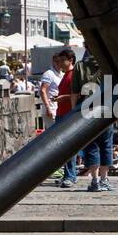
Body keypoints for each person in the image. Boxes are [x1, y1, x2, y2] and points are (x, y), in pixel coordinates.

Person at [52, 49, 78, 187]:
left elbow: (76, 94)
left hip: (67, 114)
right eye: (59, 60)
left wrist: (62, 98)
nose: (60, 63)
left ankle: (70, 176)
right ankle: (68, 174)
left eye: (63, 60)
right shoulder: (66, 74)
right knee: (63, 147)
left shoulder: (73, 75)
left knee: (68, 146)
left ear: (71, 60)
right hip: (61, 113)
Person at [40, 53, 63, 128]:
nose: (61, 64)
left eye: (62, 61)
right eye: (59, 62)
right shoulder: (49, 74)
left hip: (58, 109)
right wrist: (48, 108)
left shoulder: (61, 74)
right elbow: (42, 90)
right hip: (51, 110)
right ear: (54, 63)